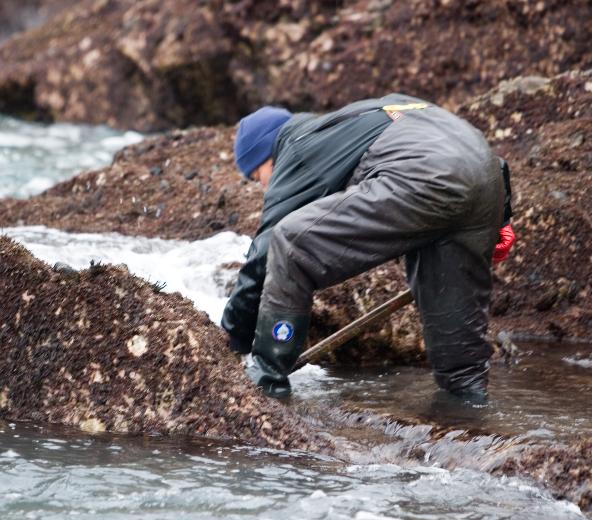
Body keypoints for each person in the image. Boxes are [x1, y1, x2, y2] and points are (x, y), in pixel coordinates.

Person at [220, 94, 514, 403]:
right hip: (486, 177)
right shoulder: (377, 110)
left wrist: (232, 337)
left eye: (258, 177)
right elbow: (485, 158)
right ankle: (470, 419)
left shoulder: (297, 145)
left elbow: (265, 251)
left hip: (424, 177)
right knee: (461, 365)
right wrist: (501, 218)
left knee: (290, 242)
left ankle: (266, 381)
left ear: (270, 153)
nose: (263, 187)